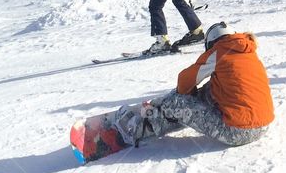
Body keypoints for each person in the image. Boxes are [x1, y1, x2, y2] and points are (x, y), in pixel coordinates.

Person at [115, 22, 274, 147]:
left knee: (179, 102)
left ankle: (138, 129)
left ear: (211, 43)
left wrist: (172, 101)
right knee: (210, 88)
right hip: (263, 126)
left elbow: (185, 80)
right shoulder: (249, 53)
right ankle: (163, 113)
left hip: (236, 131)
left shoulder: (218, 52)